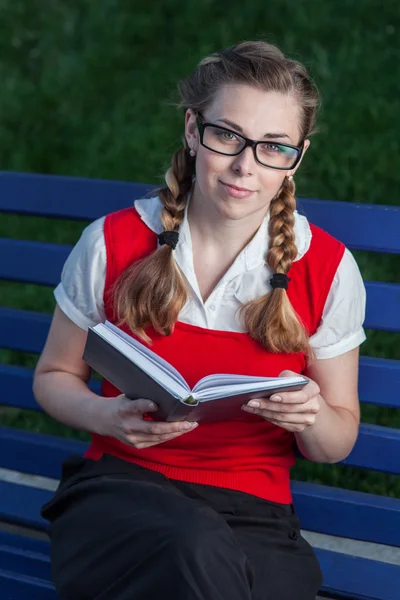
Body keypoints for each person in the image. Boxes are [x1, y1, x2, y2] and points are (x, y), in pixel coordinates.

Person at [34, 40, 366, 600]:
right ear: (193, 129)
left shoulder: (326, 267)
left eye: (273, 148)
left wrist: (310, 415)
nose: (245, 166)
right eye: (227, 136)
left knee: (254, 578)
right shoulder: (114, 242)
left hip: (255, 512)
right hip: (120, 493)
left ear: (297, 157)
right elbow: (52, 377)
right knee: (191, 546)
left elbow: (335, 443)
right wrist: (106, 415)